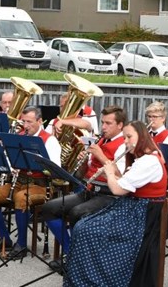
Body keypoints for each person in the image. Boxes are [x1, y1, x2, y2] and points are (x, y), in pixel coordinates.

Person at [64, 121, 168, 287]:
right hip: (132, 208)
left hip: (141, 215)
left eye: (129, 137)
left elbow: (118, 190)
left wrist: (110, 173)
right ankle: (85, 276)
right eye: (125, 137)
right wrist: (113, 172)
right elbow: (126, 183)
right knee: (83, 226)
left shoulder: (149, 161)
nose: (126, 141)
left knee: (86, 230)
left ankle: (95, 279)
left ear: (141, 137)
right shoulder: (142, 159)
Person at [40, 105, 128, 253]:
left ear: (120, 125)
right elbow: (82, 175)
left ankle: (77, 257)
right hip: (89, 190)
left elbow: (120, 175)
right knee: (49, 208)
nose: (103, 127)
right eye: (102, 122)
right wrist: (84, 159)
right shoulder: (101, 141)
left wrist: (99, 154)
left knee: (77, 212)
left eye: (108, 123)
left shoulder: (123, 145)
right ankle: (71, 252)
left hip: (108, 194)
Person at [0, 106, 61, 259]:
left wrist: (38, 165)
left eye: (29, 122)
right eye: (23, 121)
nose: (25, 126)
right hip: (18, 181)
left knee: (21, 197)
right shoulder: (18, 137)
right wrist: (10, 165)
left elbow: (55, 168)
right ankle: (6, 239)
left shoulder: (49, 140)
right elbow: (6, 157)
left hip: (40, 186)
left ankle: (22, 245)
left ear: (39, 121)